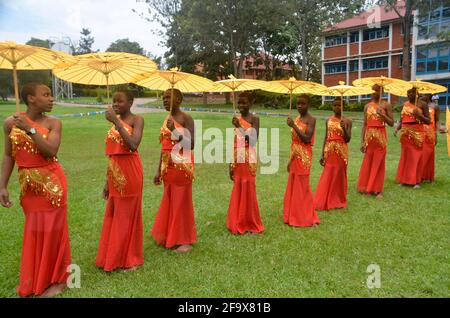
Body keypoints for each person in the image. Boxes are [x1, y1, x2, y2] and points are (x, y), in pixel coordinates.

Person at [0, 83, 71, 297]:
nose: (51, 99)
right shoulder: (10, 123)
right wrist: (2, 185)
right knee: (36, 230)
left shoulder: (54, 123)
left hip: (52, 185)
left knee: (54, 231)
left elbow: (50, 151)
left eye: (50, 94)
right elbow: (8, 155)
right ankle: (38, 277)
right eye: (46, 95)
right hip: (28, 187)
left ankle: (60, 280)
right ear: (31, 98)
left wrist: (29, 128)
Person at [96, 90, 144, 272]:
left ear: (130, 102)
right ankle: (114, 255)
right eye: (114, 101)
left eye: (120, 101)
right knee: (115, 214)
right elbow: (112, 154)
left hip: (130, 171)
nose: (116, 104)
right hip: (114, 171)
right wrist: (107, 181)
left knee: (127, 214)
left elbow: (133, 145)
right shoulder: (113, 125)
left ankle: (130, 257)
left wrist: (116, 122)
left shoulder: (136, 120)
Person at [151, 89, 196, 253]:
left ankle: (183, 240)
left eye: (168, 98)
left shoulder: (186, 118)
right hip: (167, 166)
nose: (164, 100)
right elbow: (164, 146)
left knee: (181, 201)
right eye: (163, 98)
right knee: (170, 199)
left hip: (181, 165)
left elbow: (191, 144)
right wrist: (158, 169)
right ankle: (169, 234)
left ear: (179, 99)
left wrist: (175, 130)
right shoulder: (166, 119)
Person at [226, 91, 264, 234]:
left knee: (248, 187)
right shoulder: (237, 119)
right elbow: (235, 142)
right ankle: (237, 220)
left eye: (244, 102)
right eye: (239, 102)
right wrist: (230, 162)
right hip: (237, 158)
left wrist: (240, 127)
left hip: (249, 158)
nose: (241, 105)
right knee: (238, 186)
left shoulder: (255, 119)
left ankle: (250, 222)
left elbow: (253, 141)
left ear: (250, 103)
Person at [283, 95, 320, 227]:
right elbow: (294, 142)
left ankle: (306, 216)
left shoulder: (311, 120)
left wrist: (294, 126)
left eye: (303, 104)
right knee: (294, 184)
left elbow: (306, 139)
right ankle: (293, 215)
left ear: (308, 105)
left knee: (303, 186)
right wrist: (290, 159)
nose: (299, 106)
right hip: (295, 155)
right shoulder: (297, 118)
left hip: (304, 157)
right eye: (298, 104)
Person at [314, 98, 352, 211]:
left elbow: (348, 139)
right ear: (332, 107)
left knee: (339, 174)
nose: (337, 107)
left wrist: (344, 128)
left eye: (339, 105)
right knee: (328, 173)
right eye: (335, 105)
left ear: (343, 107)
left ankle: (338, 198)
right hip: (329, 150)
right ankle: (325, 198)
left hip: (342, 151)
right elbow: (326, 137)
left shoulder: (348, 121)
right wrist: (322, 154)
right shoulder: (328, 120)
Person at [357, 85, 394, 199]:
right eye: (372, 90)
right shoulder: (367, 106)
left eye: (376, 90)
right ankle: (367, 187)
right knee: (368, 162)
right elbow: (364, 124)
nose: (373, 92)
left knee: (379, 163)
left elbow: (392, 123)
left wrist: (383, 115)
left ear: (381, 91)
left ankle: (377, 190)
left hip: (381, 137)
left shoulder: (386, 105)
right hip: (369, 138)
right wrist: (362, 141)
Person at [394, 88, 430, 188]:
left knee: (416, 156)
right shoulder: (405, 104)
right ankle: (403, 179)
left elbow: (428, 121)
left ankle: (416, 180)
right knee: (406, 156)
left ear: (417, 94)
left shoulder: (423, 104)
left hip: (417, 131)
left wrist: (419, 116)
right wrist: (397, 128)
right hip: (405, 132)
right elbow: (402, 119)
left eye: (412, 92)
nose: (409, 94)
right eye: (408, 92)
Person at [420, 94, 440, 183]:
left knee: (429, 155)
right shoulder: (420, 105)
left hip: (430, 133)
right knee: (420, 154)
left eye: (423, 95)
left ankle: (429, 176)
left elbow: (437, 120)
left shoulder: (435, 106)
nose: (421, 96)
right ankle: (420, 176)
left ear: (428, 96)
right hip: (420, 131)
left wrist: (436, 133)